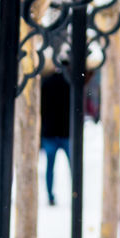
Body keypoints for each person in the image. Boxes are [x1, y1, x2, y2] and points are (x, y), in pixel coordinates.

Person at [40, 68, 71, 205]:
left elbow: (41, 108)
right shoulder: (69, 83)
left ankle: (50, 195)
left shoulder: (46, 84)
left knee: (50, 166)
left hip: (50, 132)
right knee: (73, 166)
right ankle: (76, 192)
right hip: (66, 132)